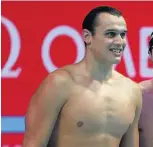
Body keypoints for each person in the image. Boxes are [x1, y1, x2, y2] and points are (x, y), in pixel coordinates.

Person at [22, 6, 142, 147]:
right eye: (111, 34)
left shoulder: (132, 91)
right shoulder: (60, 83)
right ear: (87, 37)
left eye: (123, 34)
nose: (120, 41)